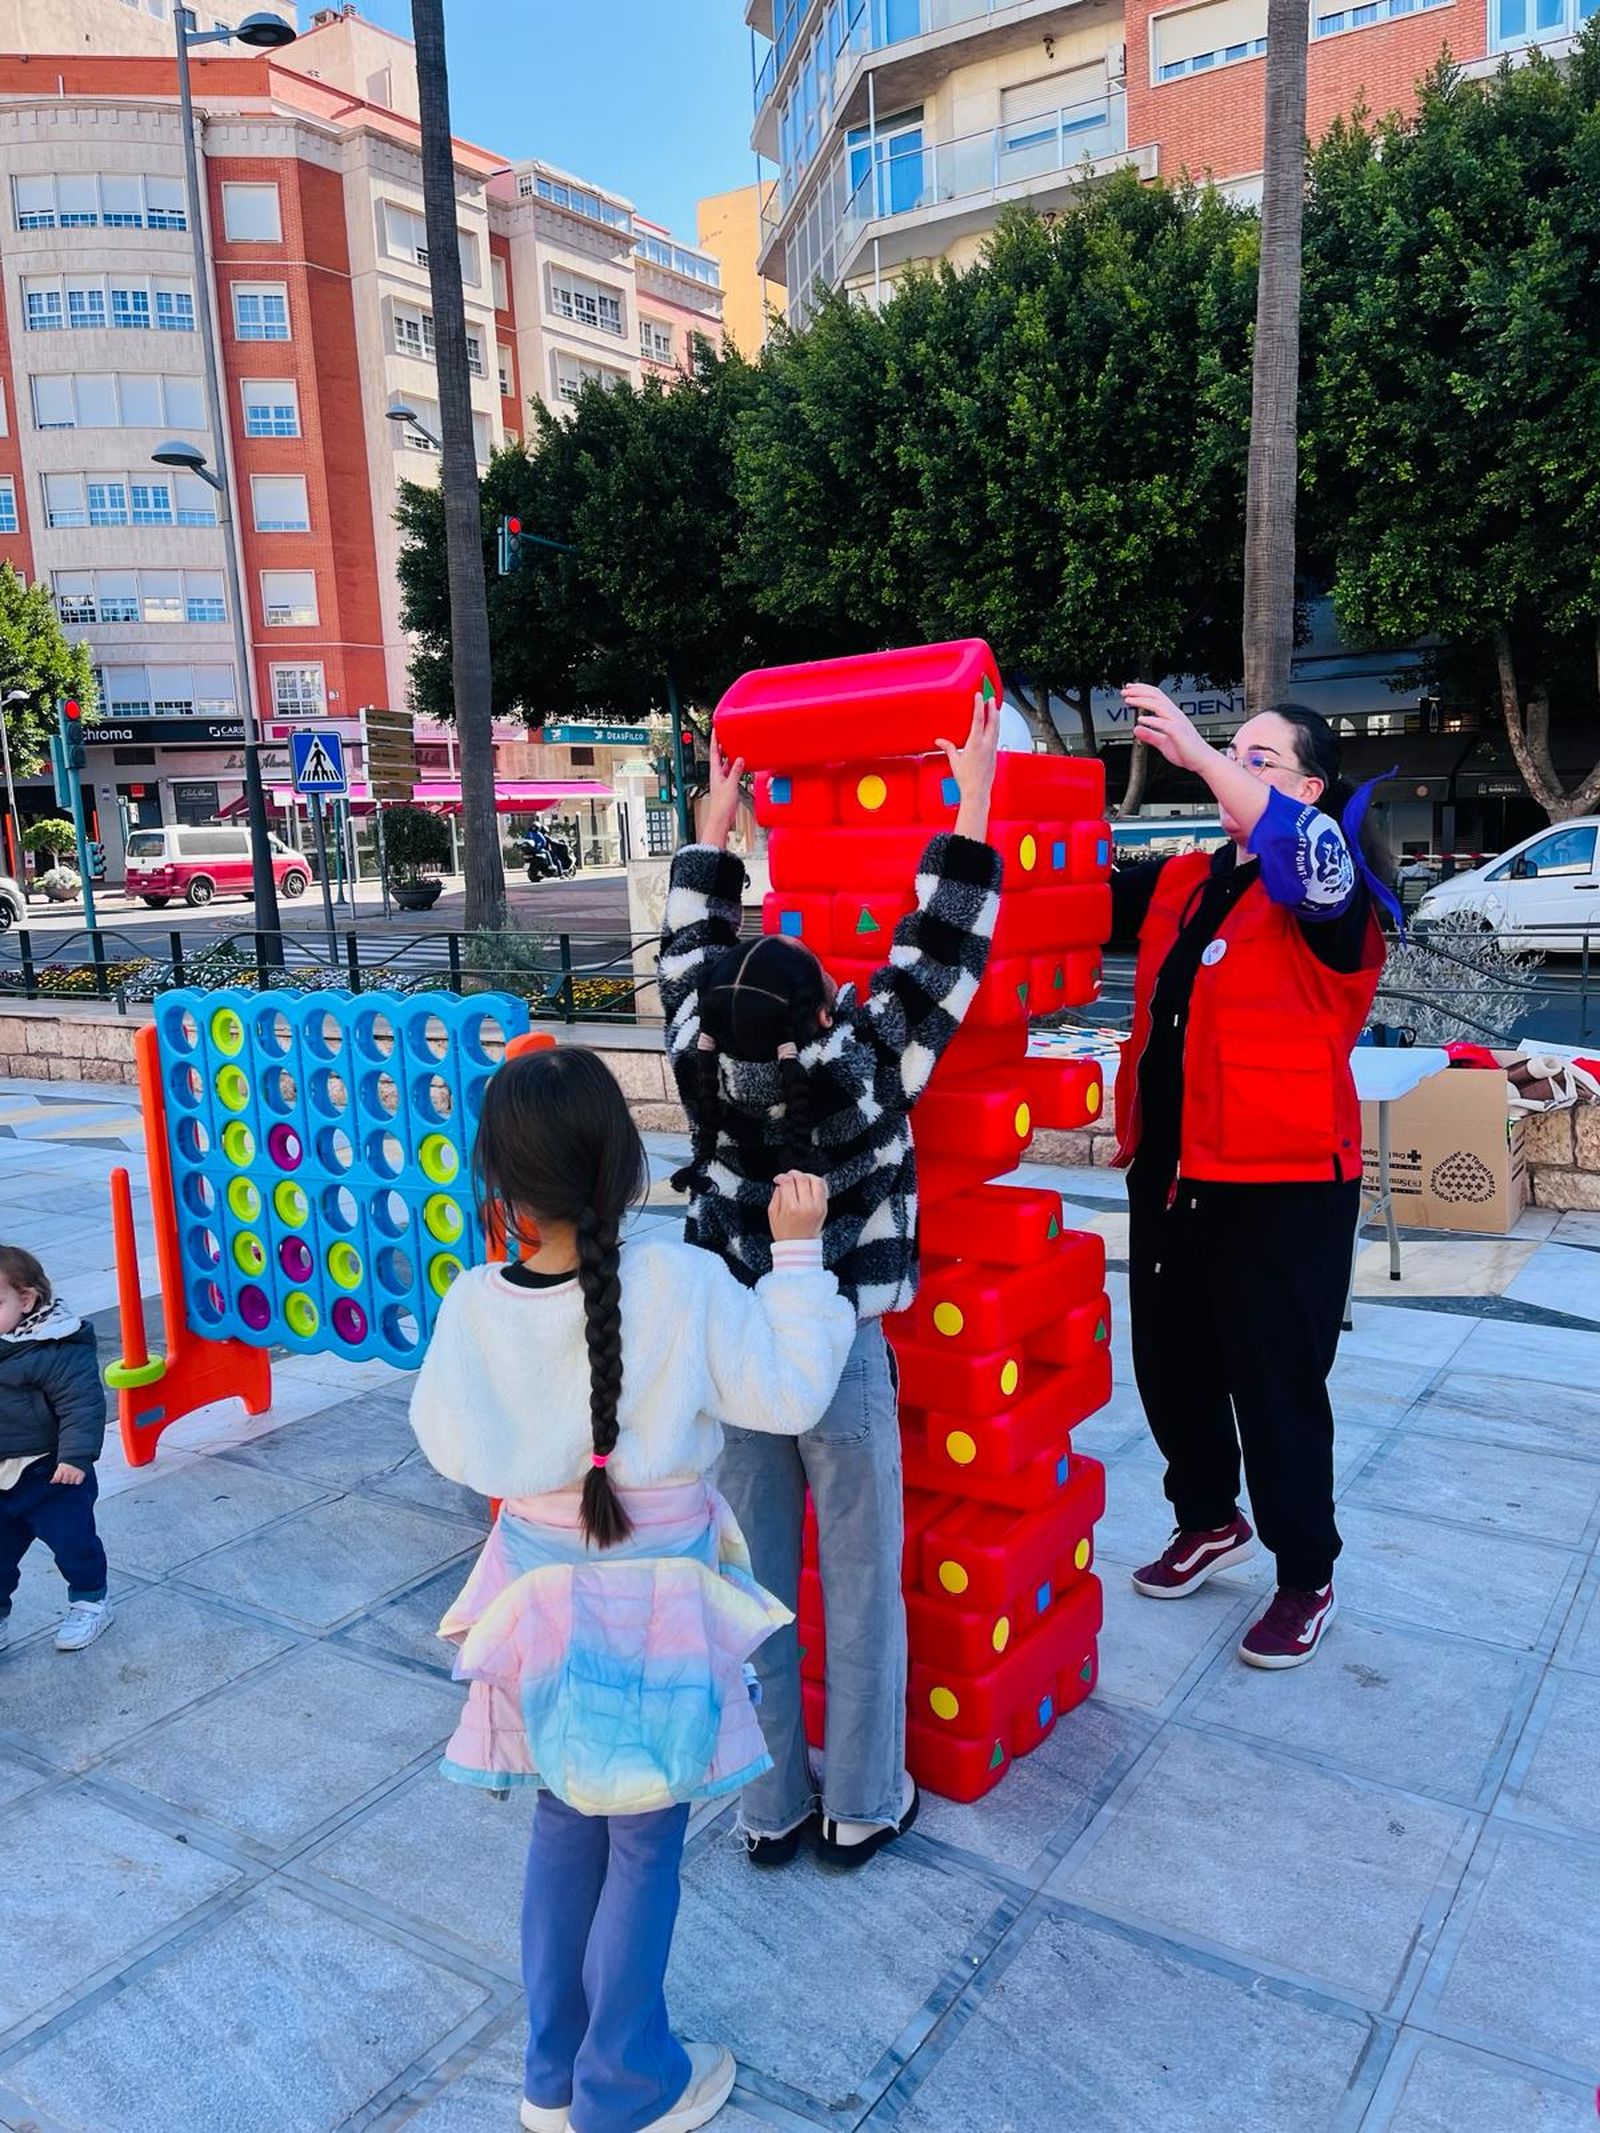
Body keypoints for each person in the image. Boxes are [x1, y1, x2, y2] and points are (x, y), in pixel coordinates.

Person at [410, 1046, 854, 2133]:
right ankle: (625, 2083)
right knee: (644, 1840)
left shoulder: (475, 1304)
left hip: (539, 1593)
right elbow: (790, 1392)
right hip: (657, 1604)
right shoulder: (682, 1281)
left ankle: (551, 2073)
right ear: (621, 1170)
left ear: (498, 1184)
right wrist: (796, 1260)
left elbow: (450, 1444)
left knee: (565, 1822)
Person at [657, 694, 1001, 1867]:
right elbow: (941, 947)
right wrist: (975, 791)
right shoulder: (868, 1068)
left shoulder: (698, 1071)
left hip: (733, 1355)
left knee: (752, 1581)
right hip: (839, 1350)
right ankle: (861, 1801)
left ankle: (768, 1808)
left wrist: (716, 824)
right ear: (822, 1008)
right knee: (861, 1583)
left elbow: (689, 950)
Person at [1113, 685, 1392, 1670]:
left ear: (1309, 787)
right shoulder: (1186, 880)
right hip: (1174, 1169)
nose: (1232, 765)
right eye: (1235, 752)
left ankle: (1304, 1575)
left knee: (1274, 1387)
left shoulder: (1329, 881)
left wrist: (1194, 750)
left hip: (1281, 1185)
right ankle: (1207, 1518)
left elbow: (1302, 852)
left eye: (1259, 757)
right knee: (1171, 1365)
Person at [0, 1244, 111, 1654]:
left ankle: (90, 1601)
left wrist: (75, 1458)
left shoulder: (55, 1347)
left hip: (51, 1475)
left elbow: (81, 1404)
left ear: (26, 1300)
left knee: (73, 1543)